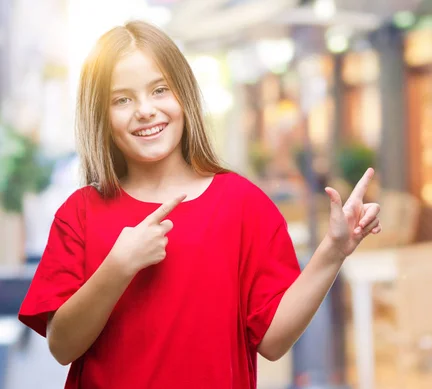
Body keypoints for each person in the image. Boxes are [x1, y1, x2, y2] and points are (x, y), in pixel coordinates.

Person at [17, 20, 381, 389]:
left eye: (160, 90)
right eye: (122, 99)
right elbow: (62, 346)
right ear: (100, 116)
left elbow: (273, 341)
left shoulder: (242, 204)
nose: (145, 110)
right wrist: (117, 267)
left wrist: (333, 251)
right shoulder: (79, 213)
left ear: (184, 96)